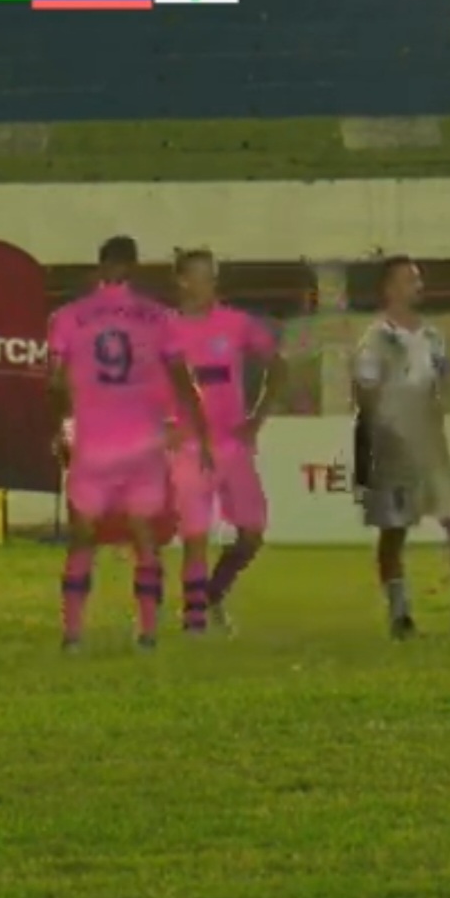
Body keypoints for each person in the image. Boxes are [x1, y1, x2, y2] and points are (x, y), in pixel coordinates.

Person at [46, 235, 214, 652]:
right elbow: (181, 379)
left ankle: (73, 633)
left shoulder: (67, 317)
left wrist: (60, 426)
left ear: (100, 267)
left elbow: (56, 381)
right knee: (144, 537)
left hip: (93, 442)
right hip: (143, 442)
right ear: (133, 268)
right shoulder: (159, 317)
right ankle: (148, 631)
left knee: (82, 536)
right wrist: (200, 431)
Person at [352, 255, 450, 638]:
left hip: (431, 443)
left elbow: (438, 386)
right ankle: (400, 614)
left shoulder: (433, 337)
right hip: (391, 444)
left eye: (418, 280)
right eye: (410, 280)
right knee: (394, 530)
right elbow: (365, 392)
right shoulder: (375, 339)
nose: (418, 287)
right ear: (389, 288)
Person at [167, 248, 286, 634]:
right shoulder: (166, 329)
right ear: (183, 281)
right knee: (195, 535)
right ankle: (194, 619)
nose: (208, 284)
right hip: (190, 446)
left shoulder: (236, 324)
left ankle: (213, 593)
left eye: (212, 276)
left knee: (251, 535)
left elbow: (278, 366)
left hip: (233, 445)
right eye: (200, 276)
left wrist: (257, 418)